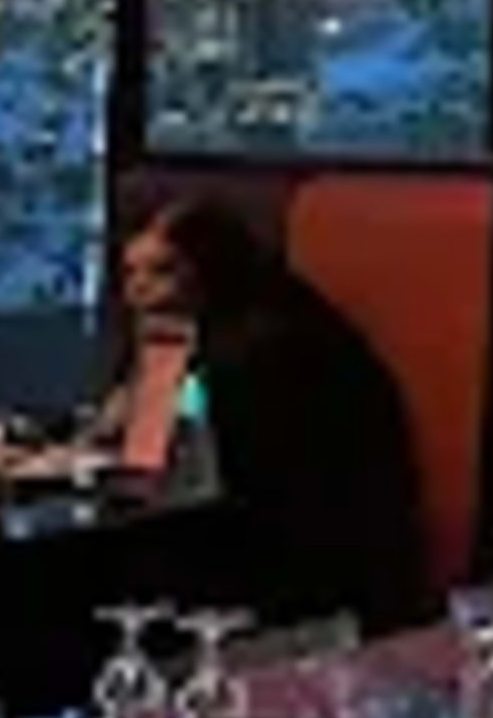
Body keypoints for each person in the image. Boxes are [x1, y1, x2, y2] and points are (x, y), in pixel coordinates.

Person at [109, 191, 434, 632]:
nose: (138, 291)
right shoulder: (189, 332)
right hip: (232, 533)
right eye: (130, 273)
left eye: (163, 271)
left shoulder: (273, 344)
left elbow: (195, 467)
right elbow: (145, 453)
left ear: (211, 271)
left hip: (307, 571)